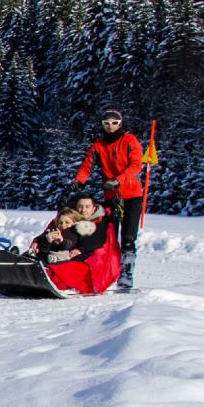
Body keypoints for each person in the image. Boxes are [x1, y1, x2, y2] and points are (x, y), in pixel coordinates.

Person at [73, 109, 145, 291]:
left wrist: (118, 180)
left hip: (131, 196)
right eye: (107, 123)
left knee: (128, 237)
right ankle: (105, 272)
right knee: (108, 237)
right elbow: (87, 165)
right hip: (111, 198)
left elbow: (136, 165)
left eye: (114, 122)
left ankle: (127, 273)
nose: (110, 126)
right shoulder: (98, 146)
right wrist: (78, 181)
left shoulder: (130, 141)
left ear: (120, 123)